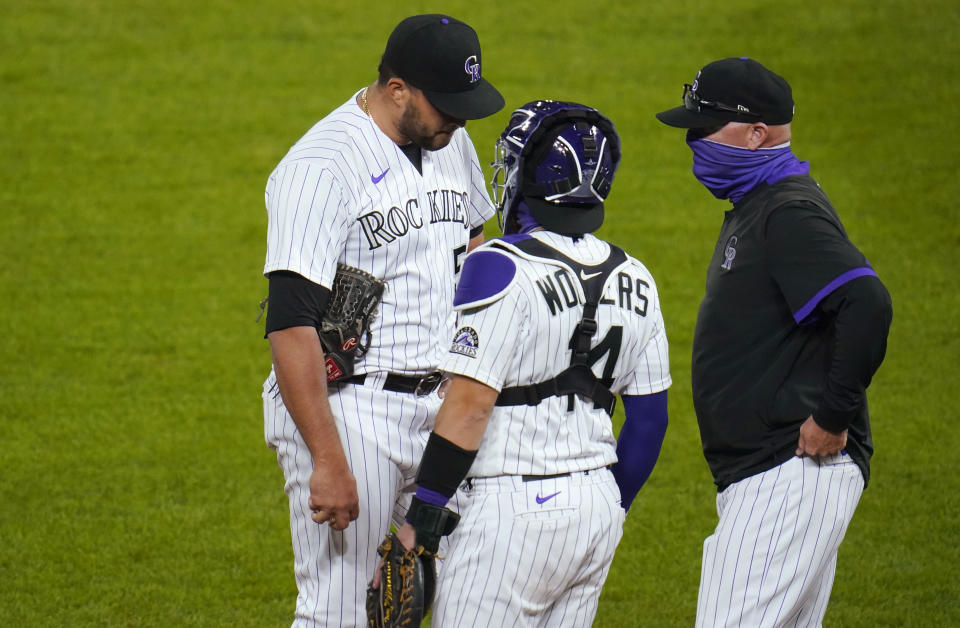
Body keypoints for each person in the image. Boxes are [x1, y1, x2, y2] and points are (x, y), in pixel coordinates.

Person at [260, 14, 504, 626]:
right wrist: (326, 459)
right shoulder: (320, 167)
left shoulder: (450, 142)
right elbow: (290, 328)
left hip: (443, 409)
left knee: (448, 601)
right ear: (397, 89)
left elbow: (474, 245)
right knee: (341, 611)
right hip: (352, 411)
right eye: (445, 105)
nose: (459, 120)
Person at [390, 100, 672, 626]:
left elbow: (470, 406)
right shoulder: (637, 276)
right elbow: (650, 421)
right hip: (597, 508)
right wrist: (611, 504)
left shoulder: (496, 265)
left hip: (511, 513)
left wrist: (422, 517)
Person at [655, 57, 893, 627]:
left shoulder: (788, 211)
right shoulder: (760, 205)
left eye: (705, 128)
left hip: (788, 472)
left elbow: (867, 303)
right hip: (773, 475)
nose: (694, 142)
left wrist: (833, 415)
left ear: (757, 133)